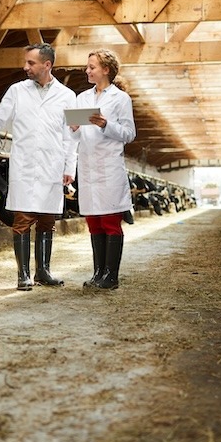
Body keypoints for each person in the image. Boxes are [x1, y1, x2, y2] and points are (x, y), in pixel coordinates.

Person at [0, 43, 76, 291]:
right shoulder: (16, 91)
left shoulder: (68, 96)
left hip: (52, 165)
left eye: (31, 63)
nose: (25, 67)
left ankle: (43, 271)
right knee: (22, 219)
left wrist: (70, 166)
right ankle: (23, 274)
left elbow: (73, 135)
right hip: (25, 165)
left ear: (47, 65)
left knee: (47, 220)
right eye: (26, 62)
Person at [69, 48, 136, 290]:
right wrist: (74, 127)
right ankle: (98, 273)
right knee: (94, 222)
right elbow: (73, 137)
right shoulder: (82, 98)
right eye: (87, 67)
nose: (87, 71)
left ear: (106, 70)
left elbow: (129, 134)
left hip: (109, 167)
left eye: (92, 67)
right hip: (87, 167)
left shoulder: (121, 99)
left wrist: (106, 124)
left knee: (109, 221)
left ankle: (112, 276)